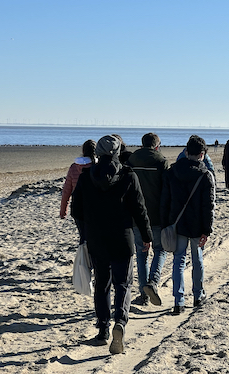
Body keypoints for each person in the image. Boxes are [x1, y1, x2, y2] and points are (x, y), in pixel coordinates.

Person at [71, 135, 153, 354]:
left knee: (102, 284)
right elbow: (139, 209)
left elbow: (75, 210)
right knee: (123, 284)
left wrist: (85, 231)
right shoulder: (128, 176)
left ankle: (102, 330)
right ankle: (120, 322)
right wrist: (147, 237)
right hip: (122, 238)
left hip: (97, 238)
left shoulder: (86, 176)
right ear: (118, 153)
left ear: (97, 152)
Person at [161, 135, 215, 315]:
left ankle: (179, 300)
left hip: (177, 223)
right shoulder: (205, 175)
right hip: (197, 224)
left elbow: (165, 201)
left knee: (178, 260)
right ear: (202, 155)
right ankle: (198, 295)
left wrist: (166, 222)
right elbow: (209, 206)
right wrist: (207, 229)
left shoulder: (172, 171)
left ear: (186, 152)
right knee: (197, 259)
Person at [127, 133, 170, 306]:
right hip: (157, 213)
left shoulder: (131, 160)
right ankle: (153, 282)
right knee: (160, 250)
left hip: (137, 214)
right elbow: (167, 189)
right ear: (157, 145)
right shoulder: (161, 161)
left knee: (141, 253)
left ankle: (144, 293)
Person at [60, 139, 96, 243]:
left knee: (83, 237)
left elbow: (66, 191)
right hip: (95, 206)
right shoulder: (98, 166)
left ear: (83, 151)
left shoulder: (74, 167)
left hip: (78, 206)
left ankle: (84, 257)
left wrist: (63, 211)